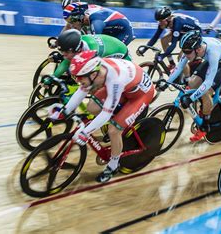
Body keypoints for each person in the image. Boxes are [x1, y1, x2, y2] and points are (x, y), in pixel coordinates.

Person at [49, 50, 155, 182]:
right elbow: (82, 90)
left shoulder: (115, 80)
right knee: (92, 107)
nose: (78, 81)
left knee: (114, 129)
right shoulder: (94, 72)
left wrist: (86, 132)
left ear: (93, 74)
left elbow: (105, 113)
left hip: (140, 94)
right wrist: (65, 111)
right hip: (126, 86)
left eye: (80, 78)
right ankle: (120, 118)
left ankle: (113, 166)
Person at [158, 30, 221, 142]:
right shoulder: (193, 49)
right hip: (216, 58)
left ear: (198, 49)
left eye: (187, 52)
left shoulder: (212, 52)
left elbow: (208, 82)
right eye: (183, 51)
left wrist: (191, 98)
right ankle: (205, 105)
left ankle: (205, 125)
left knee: (206, 92)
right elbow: (179, 67)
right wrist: (166, 83)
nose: (185, 54)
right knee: (192, 82)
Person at [42, 29, 131, 85]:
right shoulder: (77, 42)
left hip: (121, 55)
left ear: (75, 50)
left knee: (100, 81)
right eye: (62, 51)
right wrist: (53, 77)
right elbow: (66, 62)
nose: (63, 54)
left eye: (65, 52)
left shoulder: (93, 51)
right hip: (110, 45)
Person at [136, 6, 202, 71]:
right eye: (158, 21)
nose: (160, 23)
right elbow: (155, 37)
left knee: (180, 58)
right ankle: (172, 63)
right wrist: (144, 49)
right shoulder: (164, 22)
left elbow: (173, 44)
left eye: (161, 21)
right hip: (184, 31)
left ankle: (187, 79)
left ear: (169, 19)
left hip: (194, 34)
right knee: (163, 40)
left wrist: (162, 56)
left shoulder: (177, 23)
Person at [62, 2, 135, 45]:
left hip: (124, 32)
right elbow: (67, 27)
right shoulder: (85, 12)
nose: (72, 25)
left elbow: (96, 43)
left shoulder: (95, 21)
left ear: (80, 17)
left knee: (105, 53)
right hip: (110, 28)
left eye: (72, 21)